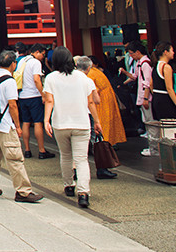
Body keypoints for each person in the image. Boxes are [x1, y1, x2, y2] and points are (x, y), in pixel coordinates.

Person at [0, 50, 43, 203]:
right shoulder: (9, 80)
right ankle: (23, 191)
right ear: (13, 63)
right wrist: (17, 126)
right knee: (14, 157)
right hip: (5, 124)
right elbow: (13, 105)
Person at [43, 47, 102, 208]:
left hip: (60, 123)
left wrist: (46, 120)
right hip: (81, 122)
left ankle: (69, 185)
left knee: (66, 155)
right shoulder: (84, 78)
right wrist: (97, 121)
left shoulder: (51, 78)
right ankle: (83, 193)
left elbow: (49, 101)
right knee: (82, 159)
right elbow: (91, 102)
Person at [81, 56, 126, 179]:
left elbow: (92, 97)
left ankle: (78, 170)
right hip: (100, 105)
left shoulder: (86, 76)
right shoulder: (92, 74)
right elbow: (94, 97)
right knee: (98, 137)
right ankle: (101, 168)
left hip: (90, 109)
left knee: (91, 139)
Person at [19, 44, 53, 160]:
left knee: (26, 122)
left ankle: (27, 150)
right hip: (34, 95)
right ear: (37, 52)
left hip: (22, 95)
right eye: (43, 54)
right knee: (38, 122)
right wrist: (43, 94)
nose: (43, 57)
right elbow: (36, 79)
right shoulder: (35, 63)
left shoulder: (23, 60)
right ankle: (41, 150)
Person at [148, 42, 176, 121]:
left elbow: (151, 84)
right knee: (171, 127)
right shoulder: (166, 67)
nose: (173, 53)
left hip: (156, 98)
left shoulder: (155, 66)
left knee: (162, 126)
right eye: (172, 50)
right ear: (165, 52)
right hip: (165, 99)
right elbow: (169, 88)